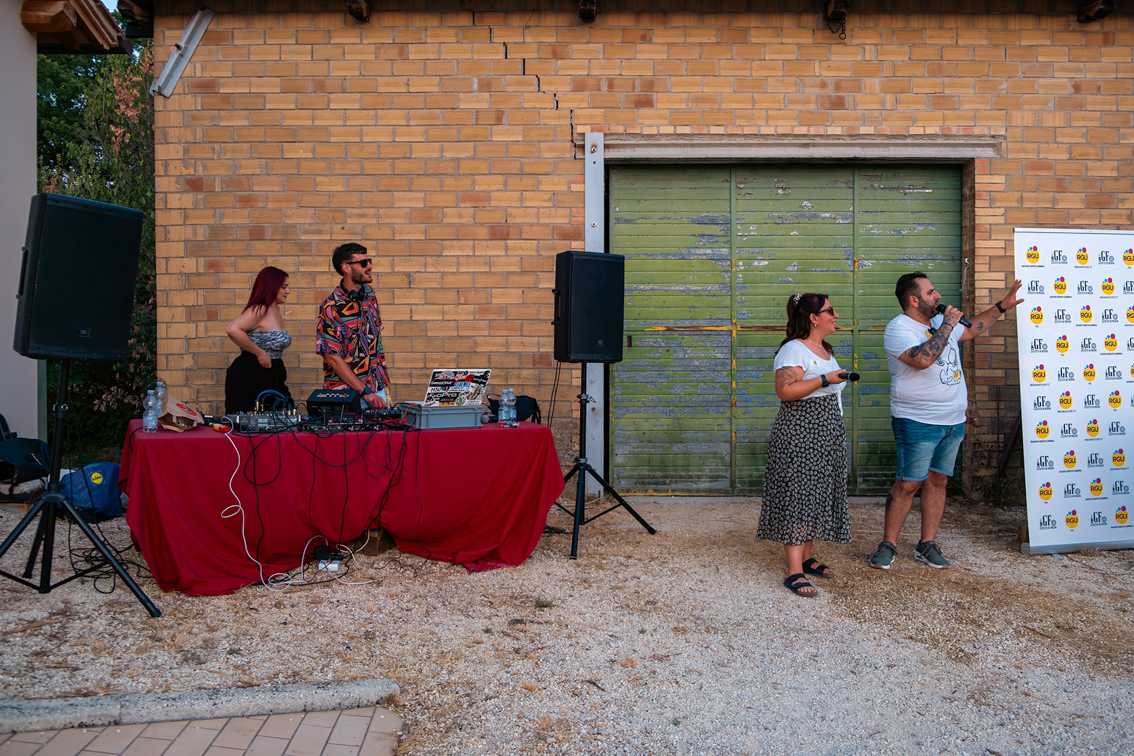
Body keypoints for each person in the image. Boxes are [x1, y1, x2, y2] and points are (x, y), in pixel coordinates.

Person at [870, 272, 1023, 570]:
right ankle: (888, 544)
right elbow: (922, 359)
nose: (938, 295)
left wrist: (1001, 307)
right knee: (909, 483)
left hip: (953, 420)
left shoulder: (942, 323)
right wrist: (948, 325)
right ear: (914, 300)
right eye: (931, 292)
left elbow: (974, 328)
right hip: (917, 419)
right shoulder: (899, 328)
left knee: (938, 480)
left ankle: (926, 544)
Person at [757, 293, 851, 597]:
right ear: (813, 317)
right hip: (801, 433)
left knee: (816, 494)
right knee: (798, 497)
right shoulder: (794, 349)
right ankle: (794, 571)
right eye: (830, 311)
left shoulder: (824, 350)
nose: (835, 316)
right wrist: (825, 379)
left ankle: (807, 558)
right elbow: (785, 390)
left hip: (825, 434)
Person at [316, 243, 390, 409]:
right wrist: (365, 391)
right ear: (346, 268)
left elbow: (376, 343)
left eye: (369, 261)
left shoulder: (370, 294)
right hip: (347, 396)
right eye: (363, 263)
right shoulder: (330, 307)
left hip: (378, 390)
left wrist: (385, 386)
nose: (369, 266)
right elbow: (332, 357)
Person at [224, 266, 293, 414]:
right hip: (251, 375)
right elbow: (232, 329)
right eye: (284, 287)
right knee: (250, 423)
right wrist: (260, 353)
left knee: (283, 416)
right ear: (271, 287)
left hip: (273, 375)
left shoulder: (275, 310)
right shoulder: (260, 310)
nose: (288, 291)